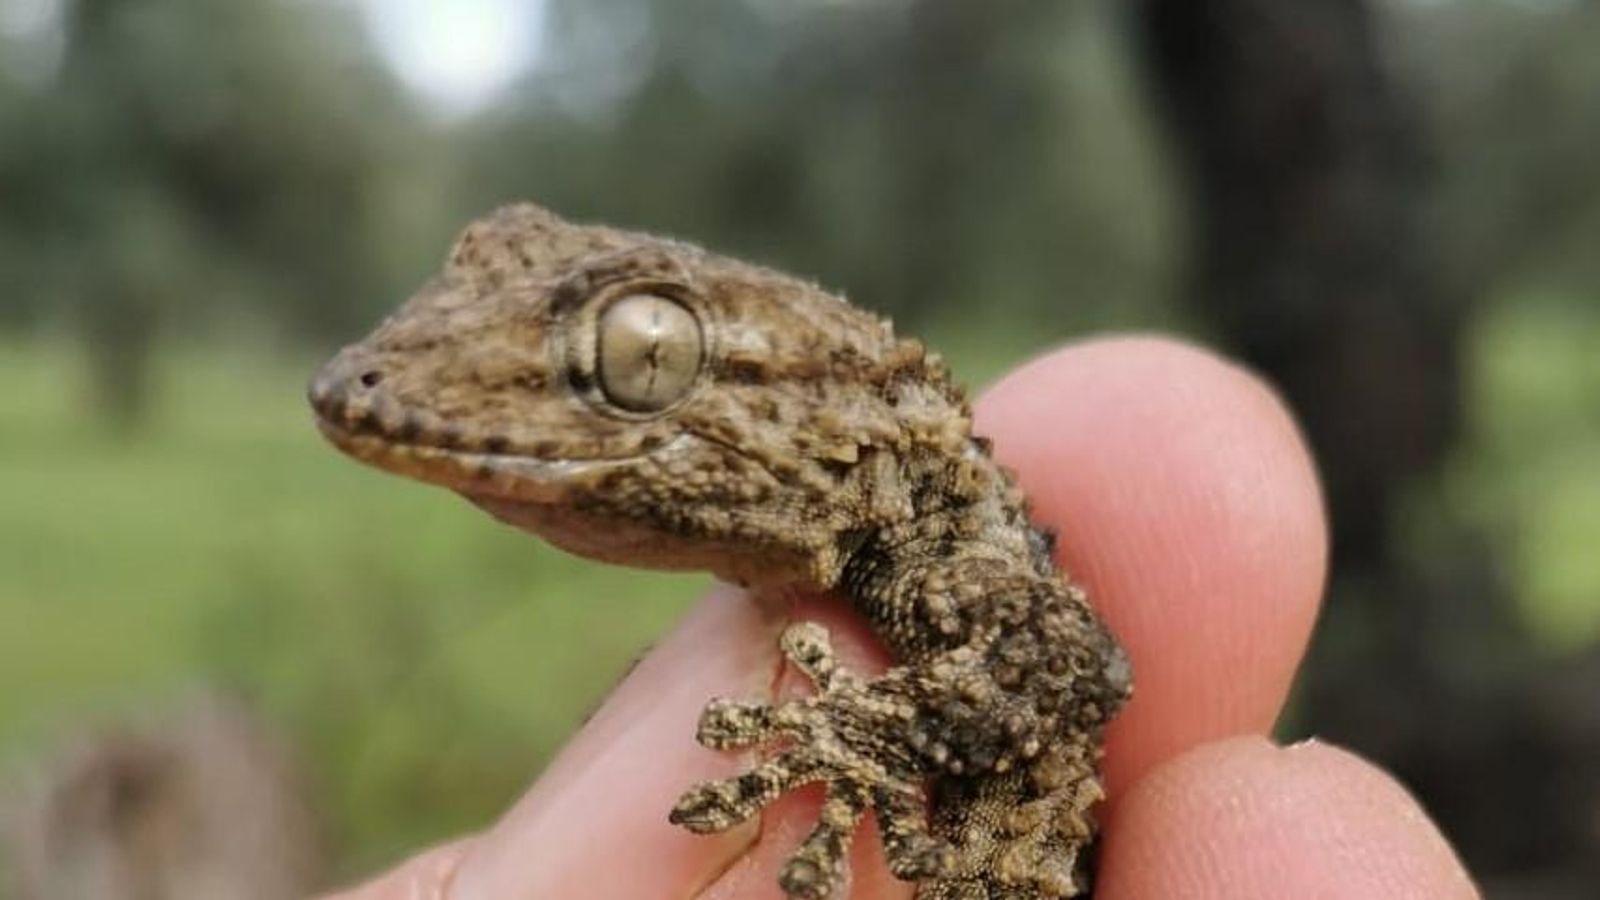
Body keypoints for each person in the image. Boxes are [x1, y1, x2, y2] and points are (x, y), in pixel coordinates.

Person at [325, 337, 1480, 899]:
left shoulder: (949, 556)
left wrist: (862, 734)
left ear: (827, 415)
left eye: (638, 356)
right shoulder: (861, 586)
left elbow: (1070, 665)